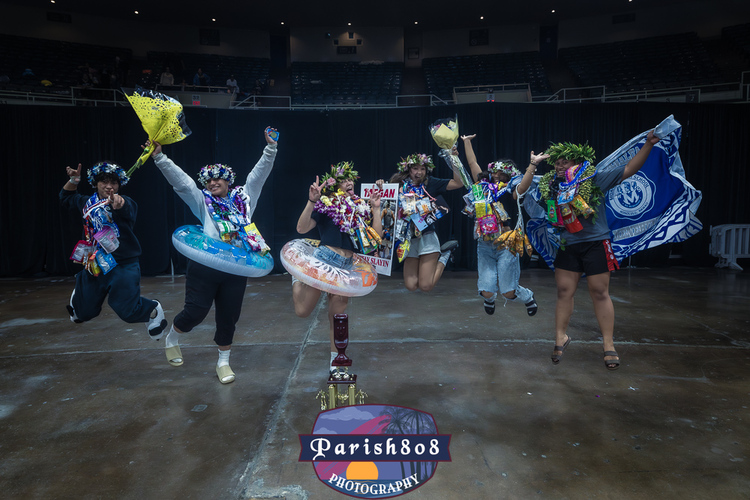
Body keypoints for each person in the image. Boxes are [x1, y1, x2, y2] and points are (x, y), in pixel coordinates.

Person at [146, 128, 278, 384]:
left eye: (218, 179)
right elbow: (182, 183)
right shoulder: (202, 202)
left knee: (229, 317)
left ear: (228, 181)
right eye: (208, 181)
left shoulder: (245, 199)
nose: (213, 183)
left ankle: (223, 362)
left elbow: (258, 175)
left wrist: (271, 149)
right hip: (205, 267)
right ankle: (172, 337)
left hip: (236, 268)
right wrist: (160, 158)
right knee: (195, 312)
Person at [541, 130, 661, 370]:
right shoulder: (552, 187)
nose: (560, 166)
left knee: (599, 291)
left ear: (577, 163)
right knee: (564, 291)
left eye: (565, 161)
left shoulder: (593, 180)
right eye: (557, 162)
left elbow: (629, 169)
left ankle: (608, 343)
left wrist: (648, 144)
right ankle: (560, 337)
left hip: (596, 243)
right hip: (568, 244)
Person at [60, 161, 167, 338]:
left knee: (127, 311)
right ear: (95, 183)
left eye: (114, 183)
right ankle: (80, 290)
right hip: (95, 262)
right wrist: (74, 180)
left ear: (119, 185)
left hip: (123, 265)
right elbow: (66, 197)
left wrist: (119, 203)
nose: (109, 186)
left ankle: (153, 310)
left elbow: (127, 208)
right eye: (104, 181)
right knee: (83, 312)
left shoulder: (124, 202)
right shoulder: (86, 202)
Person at [293, 162, 382, 373]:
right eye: (343, 180)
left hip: (346, 266)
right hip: (324, 260)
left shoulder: (360, 207)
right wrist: (311, 201)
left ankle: (336, 360)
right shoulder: (327, 204)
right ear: (335, 185)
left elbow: (375, 239)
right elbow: (301, 228)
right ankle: (297, 279)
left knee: (337, 317)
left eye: (351, 179)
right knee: (302, 312)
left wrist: (376, 209)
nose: (349, 182)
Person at [461, 134, 547, 316]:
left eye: (501, 173)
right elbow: (472, 163)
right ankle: (489, 298)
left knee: (508, 292)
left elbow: (523, 187)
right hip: (485, 243)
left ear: (509, 174)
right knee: (486, 291)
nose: (495, 175)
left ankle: (527, 296)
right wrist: (467, 142)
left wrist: (532, 165)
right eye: (494, 172)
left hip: (507, 244)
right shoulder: (482, 187)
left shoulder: (511, 190)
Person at [377, 153, 462, 293]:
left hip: (427, 236)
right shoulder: (398, 185)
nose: (419, 172)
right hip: (408, 239)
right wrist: (380, 185)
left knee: (426, 286)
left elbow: (458, 183)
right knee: (411, 286)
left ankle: (445, 254)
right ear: (408, 169)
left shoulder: (430, 183)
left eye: (422, 169)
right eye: (415, 168)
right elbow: (382, 199)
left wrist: (454, 159)